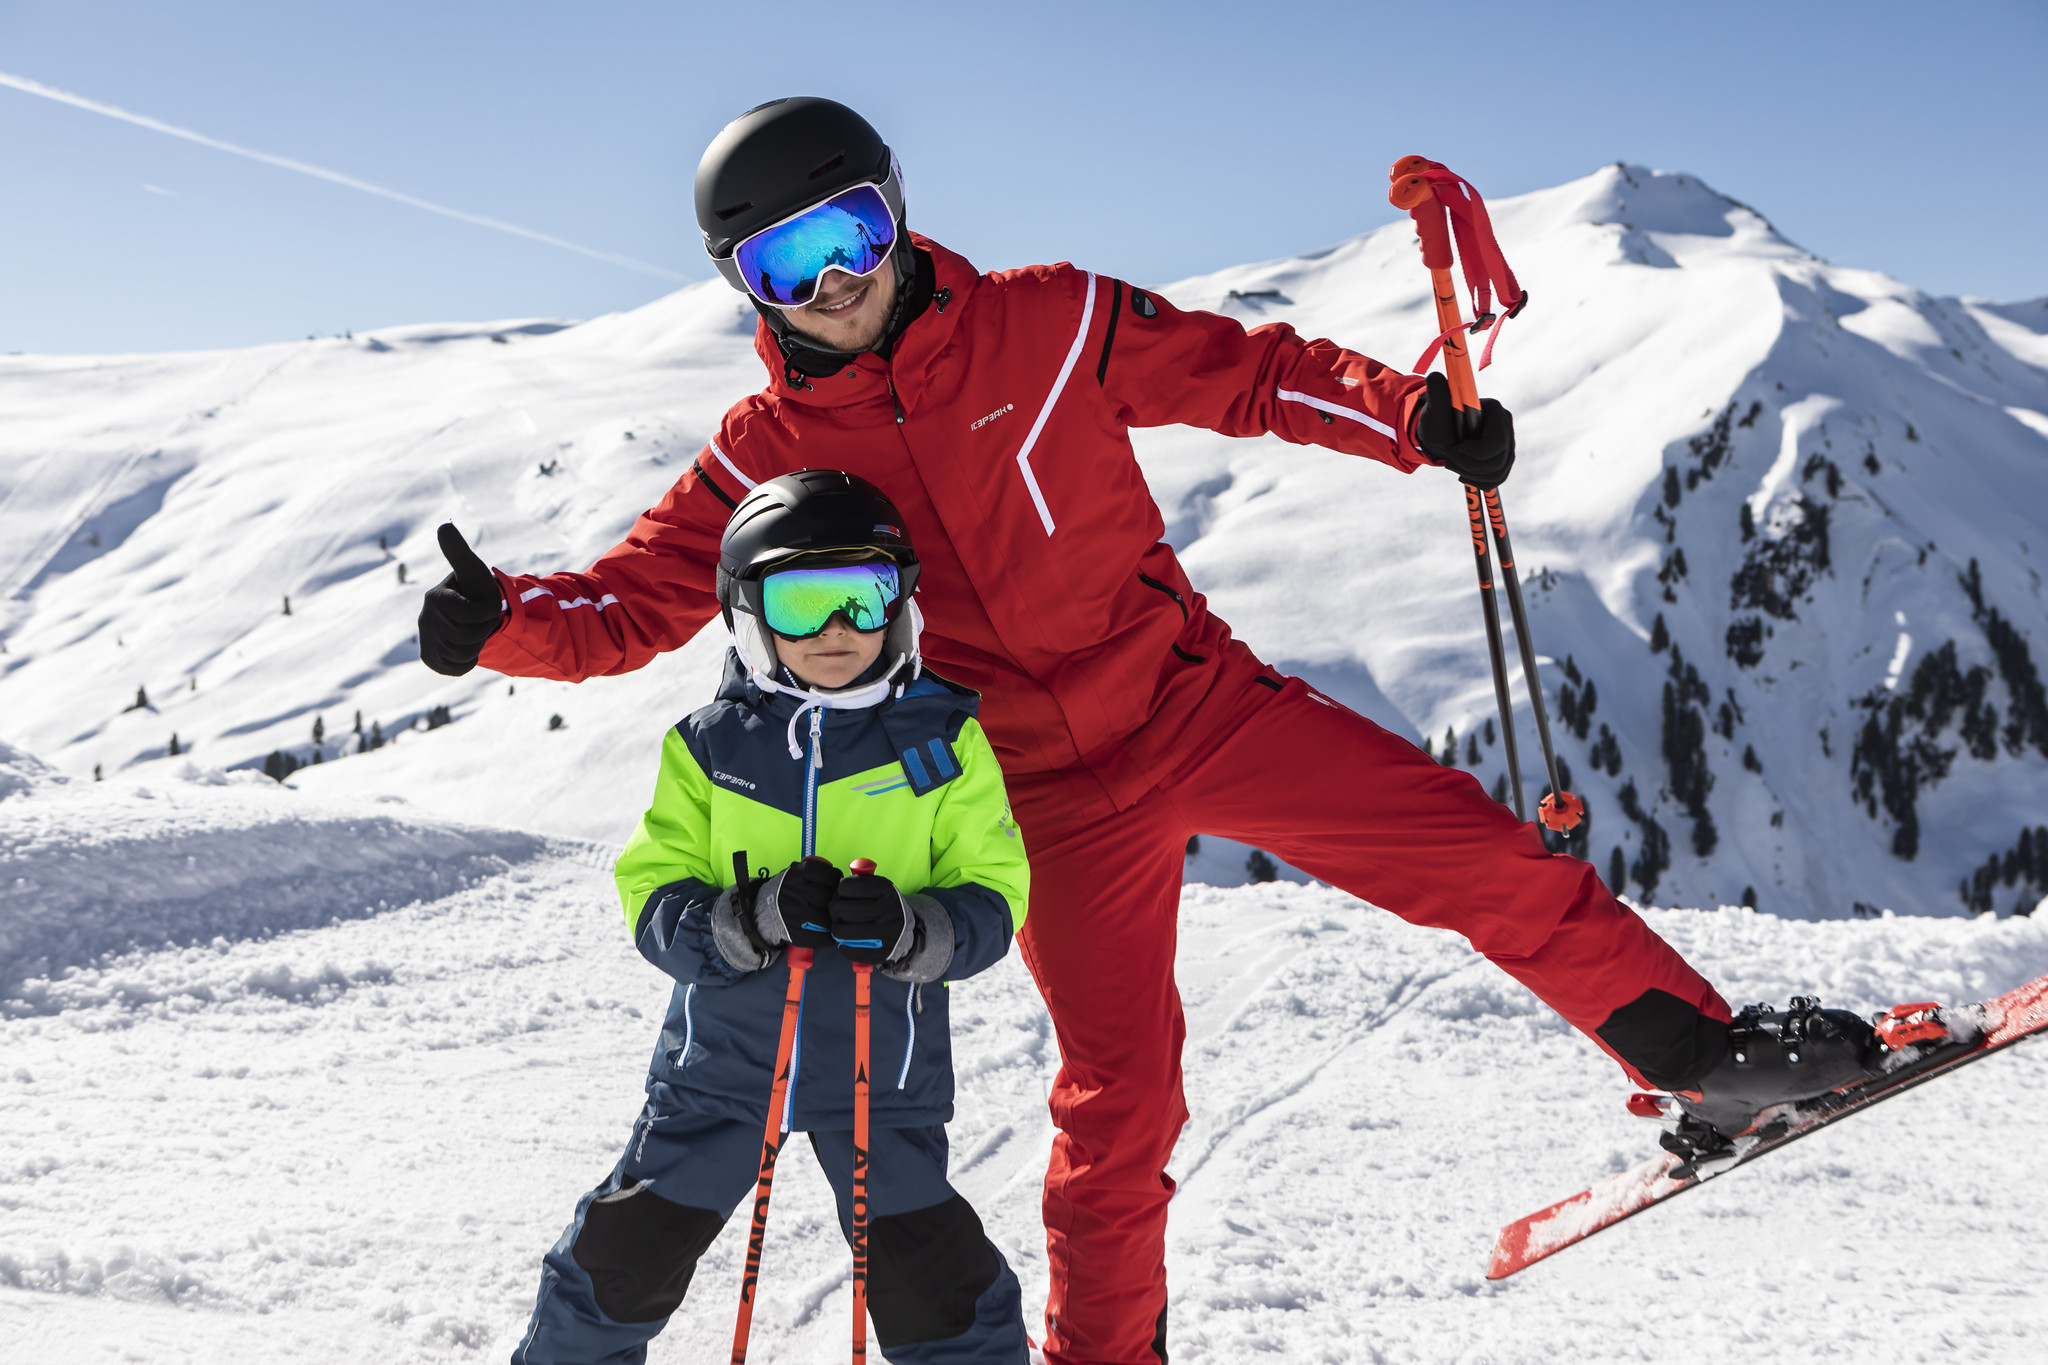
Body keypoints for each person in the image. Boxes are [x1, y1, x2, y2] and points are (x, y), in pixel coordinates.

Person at [426, 98, 1876, 1365]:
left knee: (1479, 858)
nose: (837, 283)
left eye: (851, 232)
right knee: (1121, 1101)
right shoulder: (763, 455)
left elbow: (1244, 373)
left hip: (1192, 699)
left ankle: (1700, 1058)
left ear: (898, 212)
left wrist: (1411, 422)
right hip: (1035, 795)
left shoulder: (1051, 321)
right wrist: (500, 623)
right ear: (742, 286)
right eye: (785, 264)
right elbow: (629, 603)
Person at [510, 470, 1032, 1365]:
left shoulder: (943, 744)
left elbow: (994, 894)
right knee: (619, 1261)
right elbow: (652, 889)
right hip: (721, 1068)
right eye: (801, 602)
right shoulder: (714, 746)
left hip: (883, 1076)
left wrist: (910, 929)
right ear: (751, 615)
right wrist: (744, 918)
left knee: (937, 1286)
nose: (836, 630)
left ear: (900, 605)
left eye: (862, 600)